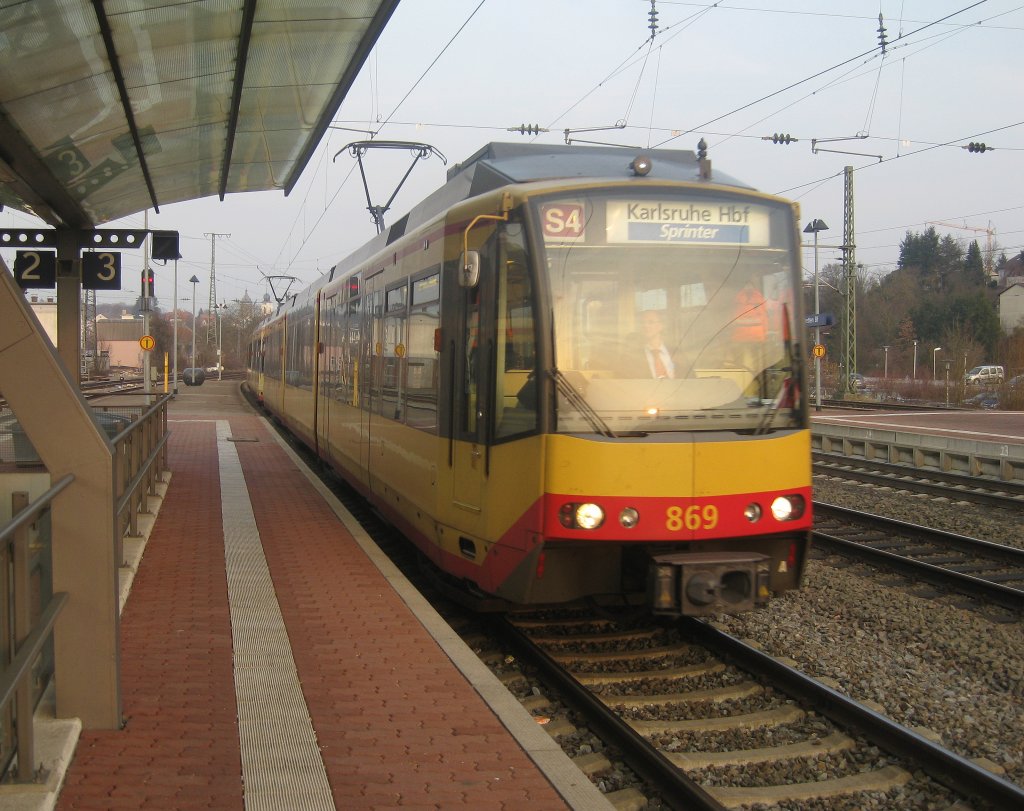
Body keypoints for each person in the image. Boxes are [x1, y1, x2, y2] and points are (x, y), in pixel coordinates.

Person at [639, 310, 676, 379]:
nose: (645, 325)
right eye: (642, 323)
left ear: (661, 326)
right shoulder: (632, 357)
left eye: (651, 322)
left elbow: (690, 378)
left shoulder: (676, 352)